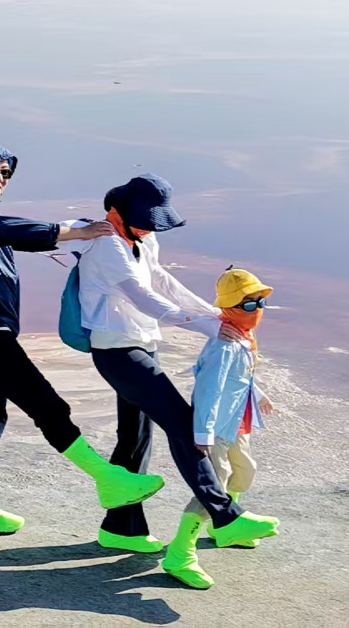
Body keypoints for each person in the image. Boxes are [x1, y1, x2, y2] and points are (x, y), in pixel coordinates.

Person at [0, 142, 164, 535]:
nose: (0, 180)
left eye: (6, 173)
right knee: (47, 405)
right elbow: (9, 230)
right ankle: (107, 478)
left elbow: (19, 236)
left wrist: (86, 239)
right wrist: (75, 231)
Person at [78, 175, 280, 554]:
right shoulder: (107, 247)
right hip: (117, 352)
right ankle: (225, 516)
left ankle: (122, 527)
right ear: (123, 213)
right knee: (183, 425)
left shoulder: (142, 238)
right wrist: (209, 326)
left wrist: (214, 315)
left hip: (142, 344)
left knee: (136, 438)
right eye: (145, 220)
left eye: (155, 222)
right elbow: (145, 299)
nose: (151, 228)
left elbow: (163, 282)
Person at [164, 267, 277, 589]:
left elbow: (241, 378)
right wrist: (203, 434)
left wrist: (259, 395)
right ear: (228, 308)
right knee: (214, 485)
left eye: (260, 303)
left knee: (244, 471)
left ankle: (223, 527)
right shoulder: (224, 345)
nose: (257, 310)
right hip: (216, 428)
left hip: (236, 422)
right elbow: (209, 390)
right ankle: (180, 552)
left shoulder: (242, 338)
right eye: (249, 304)